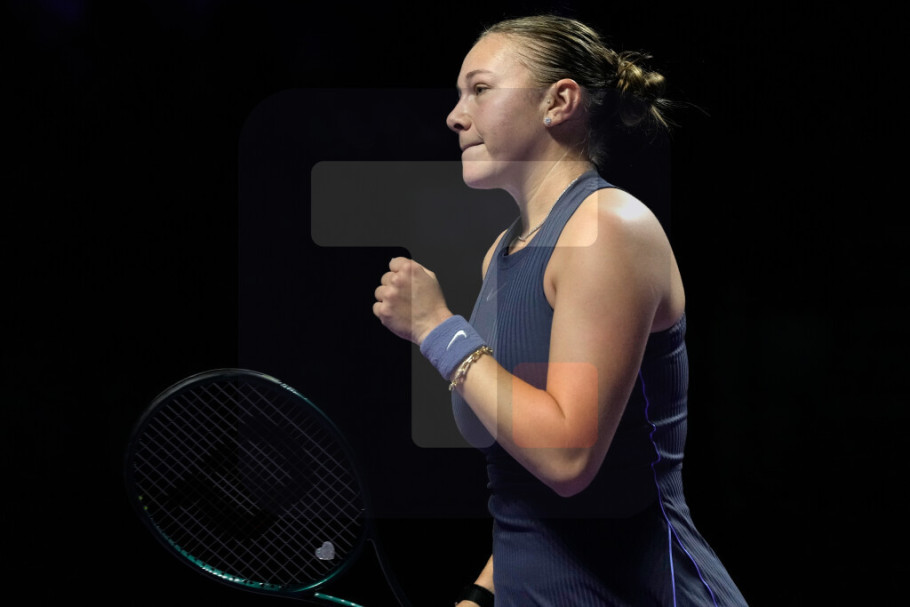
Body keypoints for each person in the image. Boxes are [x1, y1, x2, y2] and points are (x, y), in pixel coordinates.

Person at [372, 14, 747, 606]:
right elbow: (524, 489)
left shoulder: (608, 228)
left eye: (480, 89)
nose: (455, 115)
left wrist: (437, 328)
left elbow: (566, 457)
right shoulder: (501, 255)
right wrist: (481, 596)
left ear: (559, 102)